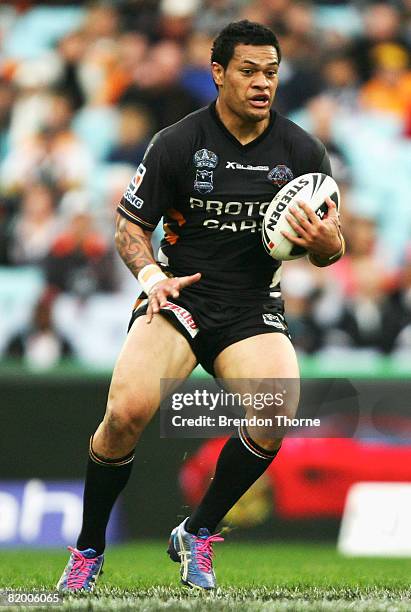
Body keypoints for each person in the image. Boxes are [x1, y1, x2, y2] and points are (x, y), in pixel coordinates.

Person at [57, 20, 344, 592]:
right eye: (248, 71)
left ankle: (199, 531)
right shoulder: (178, 142)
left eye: (271, 72)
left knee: (275, 409)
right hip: (180, 297)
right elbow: (129, 226)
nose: (263, 83)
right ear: (218, 73)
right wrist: (150, 274)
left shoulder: (302, 150)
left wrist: (326, 243)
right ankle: (89, 548)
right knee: (126, 412)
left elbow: (332, 248)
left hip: (250, 306)